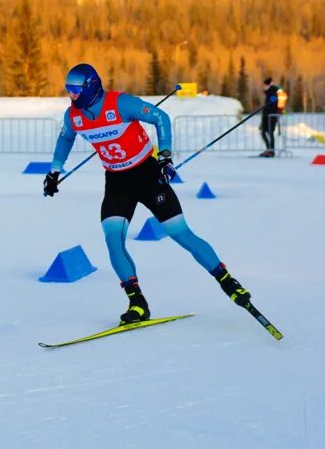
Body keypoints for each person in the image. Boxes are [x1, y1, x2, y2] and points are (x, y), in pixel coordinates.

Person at [43, 63, 254, 324]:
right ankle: (137, 303)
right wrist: (54, 171)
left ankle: (228, 281)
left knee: (181, 234)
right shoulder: (72, 116)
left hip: (147, 175)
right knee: (113, 240)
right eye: (68, 89)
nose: (71, 95)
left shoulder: (120, 104)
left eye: (75, 89)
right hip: (117, 181)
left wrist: (165, 156)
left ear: (90, 86)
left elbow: (160, 118)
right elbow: (65, 139)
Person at [259, 77, 281, 157]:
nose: (263, 87)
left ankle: (271, 150)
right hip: (266, 115)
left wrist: (271, 102)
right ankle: (269, 149)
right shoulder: (269, 92)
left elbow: (274, 101)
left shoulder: (273, 91)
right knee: (263, 132)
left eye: (264, 85)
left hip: (271, 116)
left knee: (269, 132)